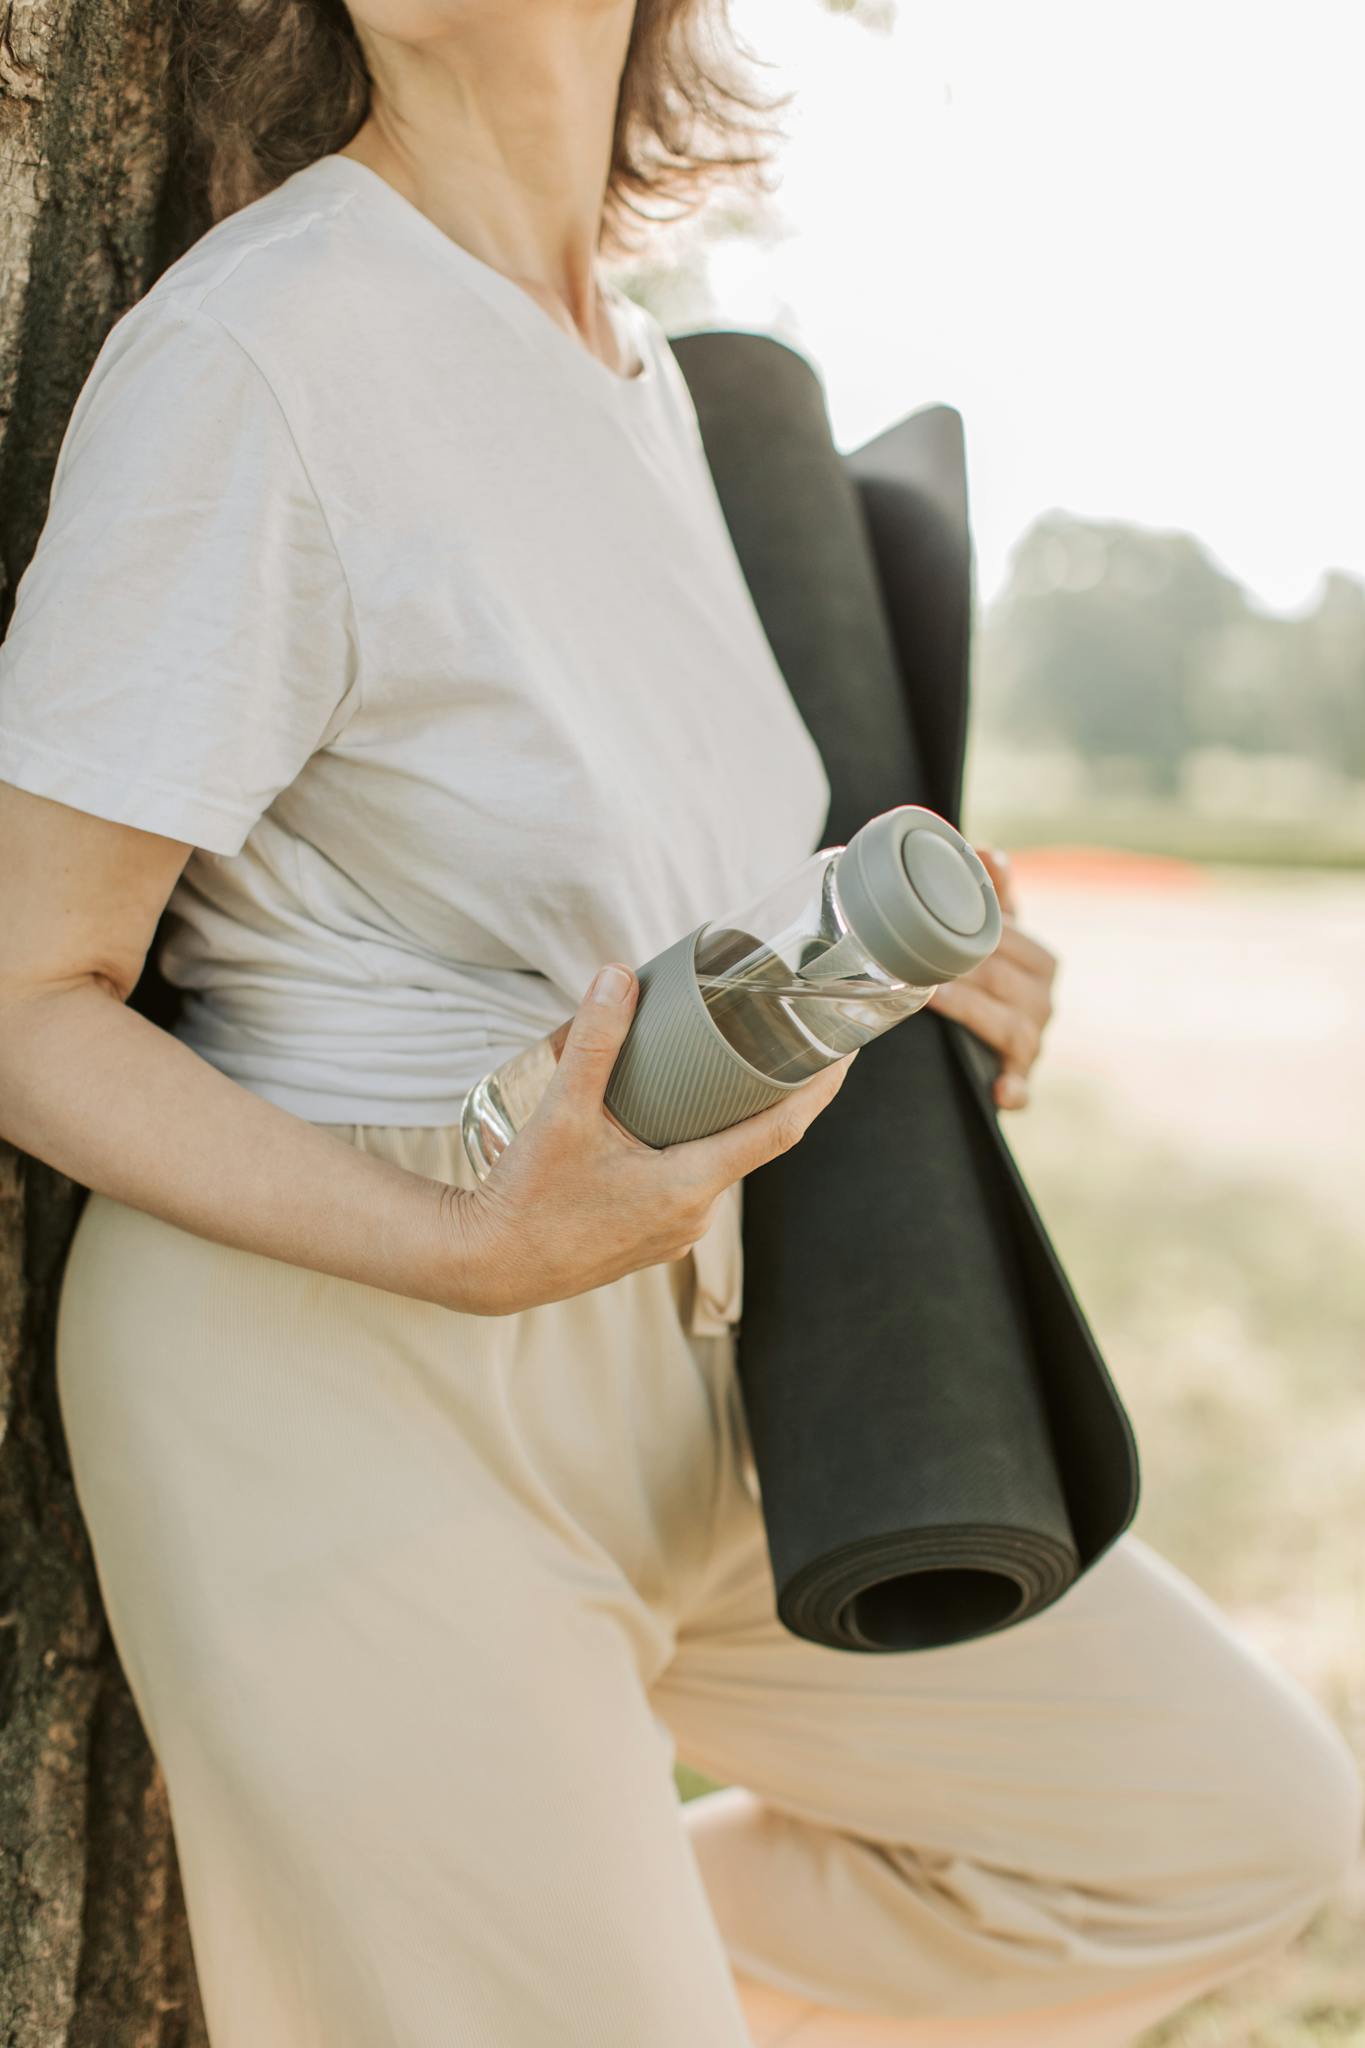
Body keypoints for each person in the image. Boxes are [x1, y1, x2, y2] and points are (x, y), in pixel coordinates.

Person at [0, 4, 1357, 2043]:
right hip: (345, 1373)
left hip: (710, 1364)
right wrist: (464, 1245)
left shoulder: (647, 382)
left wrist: (903, 968)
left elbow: (605, 893)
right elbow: (25, 991)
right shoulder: (264, 351)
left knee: (1225, 1834)